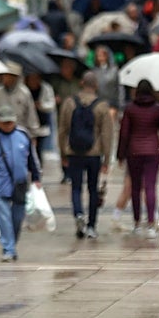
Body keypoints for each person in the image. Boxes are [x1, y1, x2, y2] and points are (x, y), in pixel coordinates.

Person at [0, 103, 42, 262]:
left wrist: (36, 178)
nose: (8, 125)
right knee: (3, 219)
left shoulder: (23, 135)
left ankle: (11, 244)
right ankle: (8, 248)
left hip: (20, 184)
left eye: (10, 122)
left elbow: (32, 159)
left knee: (17, 218)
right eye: (4, 122)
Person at [57, 71, 115, 239]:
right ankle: (91, 226)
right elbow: (107, 134)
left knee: (75, 187)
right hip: (94, 153)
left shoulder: (69, 103)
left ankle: (78, 214)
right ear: (96, 85)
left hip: (74, 152)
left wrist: (63, 153)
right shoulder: (102, 106)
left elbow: (62, 130)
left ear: (81, 83)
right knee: (92, 189)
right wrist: (106, 157)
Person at [117, 79, 159, 237]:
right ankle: (151, 222)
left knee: (135, 187)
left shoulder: (130, 109)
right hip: (153, 150)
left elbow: (124, 133)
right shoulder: (158, 109)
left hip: (133, 151)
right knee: (150, 186)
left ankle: (136, 222)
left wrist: (120, 154)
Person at [0, 62, 40, 134]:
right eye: (4, 75)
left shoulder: (24, 93)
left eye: (8, 75)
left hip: (20, 131)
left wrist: (34, 132)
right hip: (1, 132)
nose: (5, 78)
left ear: (15, 77)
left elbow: (31, 114)